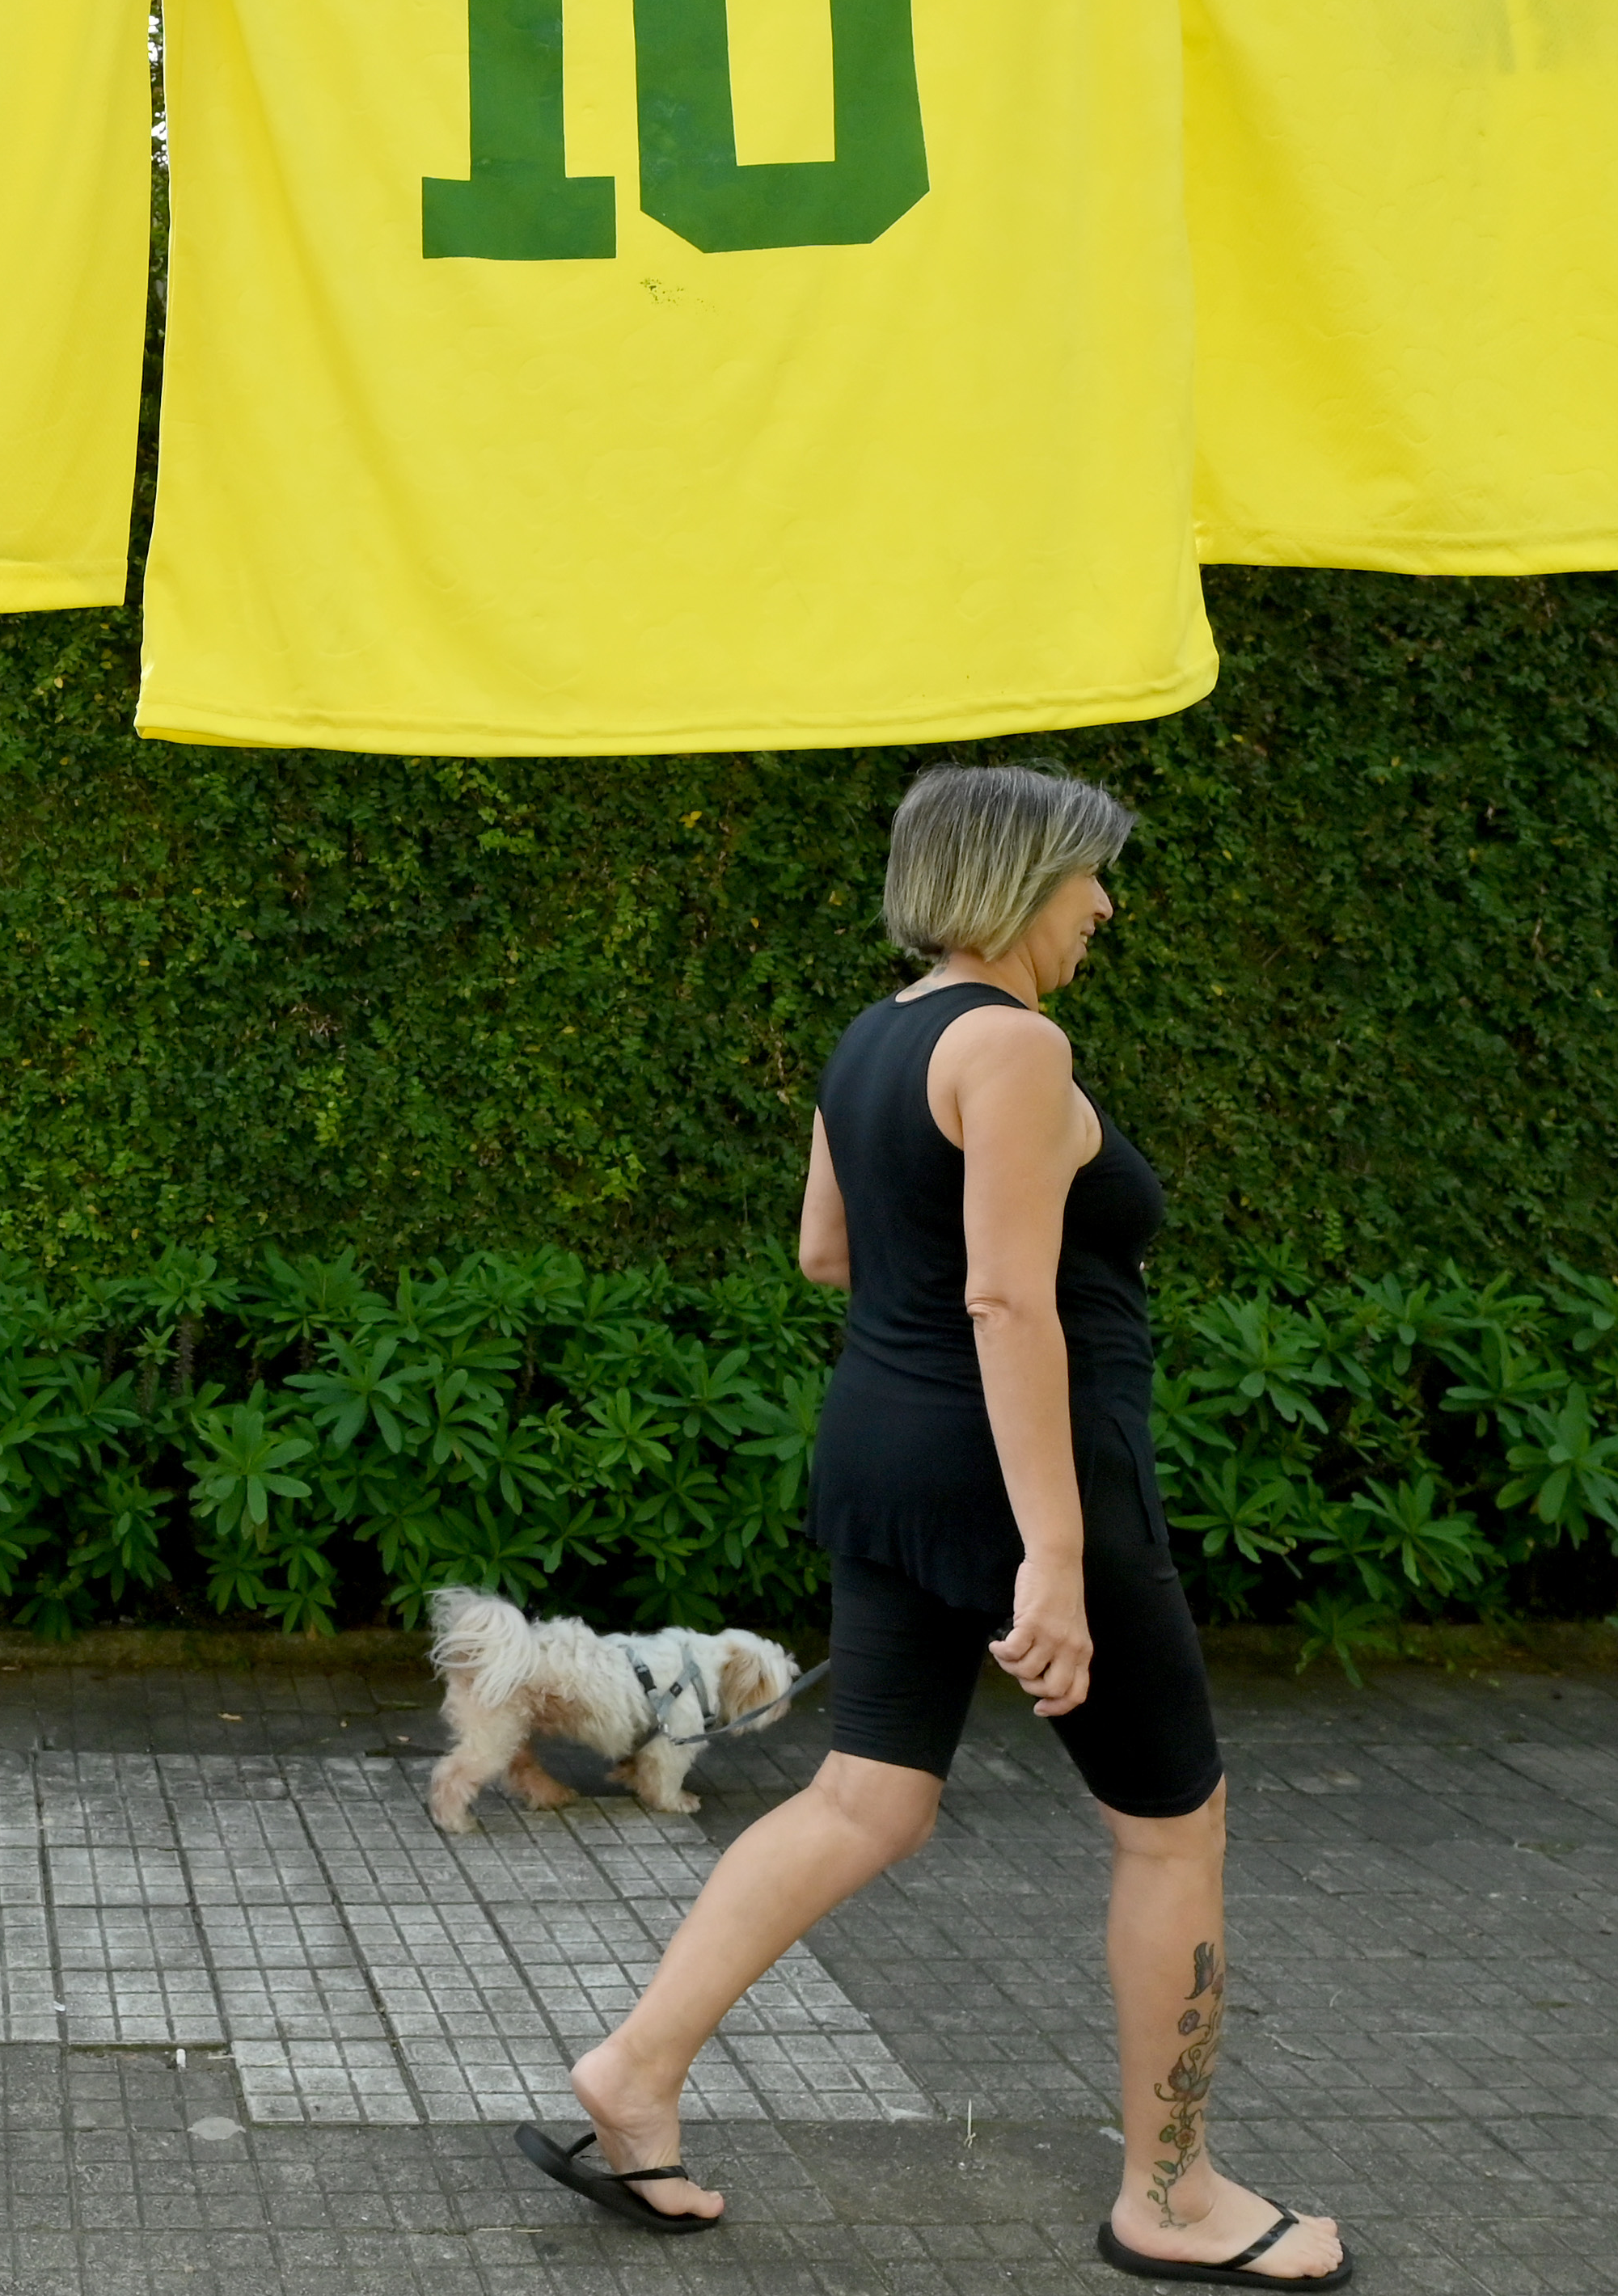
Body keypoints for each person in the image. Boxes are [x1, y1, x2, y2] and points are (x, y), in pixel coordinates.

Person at [516, 764, 1351, 2288]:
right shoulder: (1017, 1047)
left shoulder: (876, 1034)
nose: (1104, 905)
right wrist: (1050, 1553)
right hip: (1026, 1481)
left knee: (866, 1798)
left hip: (877, 1450)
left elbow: (826, 1249)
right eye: (1089, 877)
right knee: (1172, 1831)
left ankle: (632, 2072)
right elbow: (1004, 1297)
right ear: (1020, 879)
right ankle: (1169, 2197)